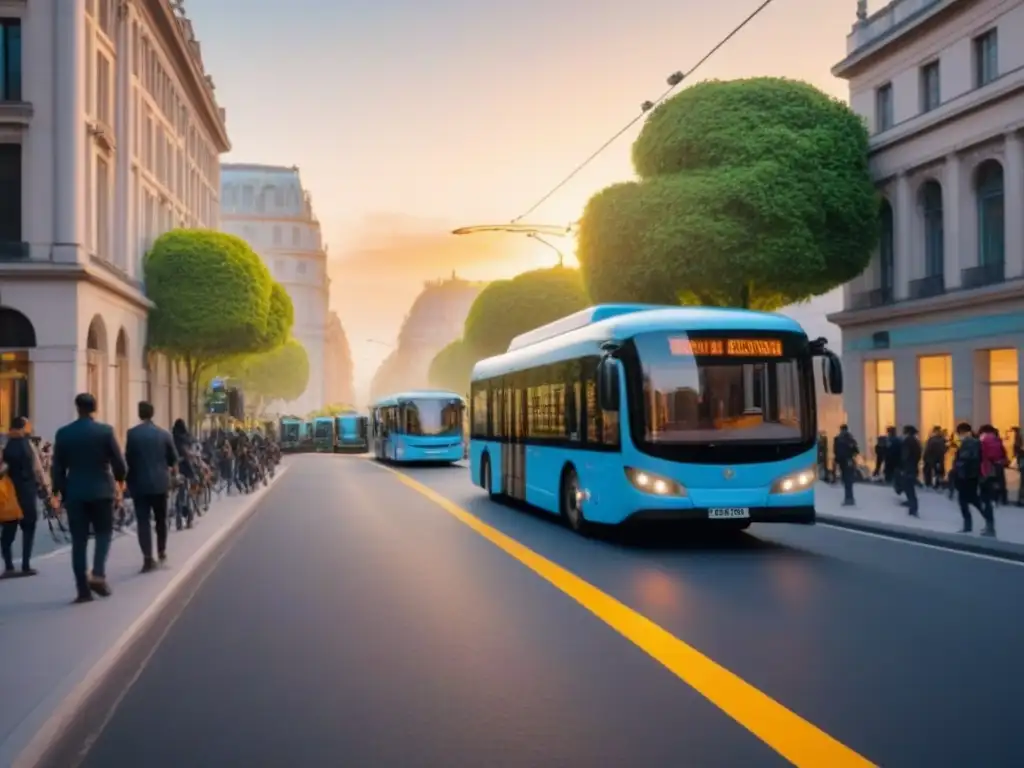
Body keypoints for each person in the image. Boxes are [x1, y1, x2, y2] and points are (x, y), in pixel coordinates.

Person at [50, 393, 127, 603]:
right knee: (104, 533)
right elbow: (119, 464)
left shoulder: (64, 434)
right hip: (102, 490)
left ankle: (82, 590)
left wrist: (59, 492)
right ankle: (98, 574)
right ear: (95, 408)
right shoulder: (105, 431)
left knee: (79, 541)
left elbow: (57, 468)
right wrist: (120, 481)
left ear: (77, 408)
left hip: (75, 491)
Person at [124, 402, 178, 572]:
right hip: (160, 483)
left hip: (139, 484)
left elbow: (129, 459)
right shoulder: (164, 434)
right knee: (161, 519)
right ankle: (161, 552)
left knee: (143, 521)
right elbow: (173, 459)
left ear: (139, 414)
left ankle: (147, 559)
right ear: (152, 414)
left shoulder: (132, 434)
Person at [1, 417, 48, 576]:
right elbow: (38, 468)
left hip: (9, 492)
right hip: (27, 491)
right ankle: (26, 565)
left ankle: (8, 566)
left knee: (8, 529)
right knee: (29, 528)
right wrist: (45, 487)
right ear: (23, 427)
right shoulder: (28, 445)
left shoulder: (4, 445)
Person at [951, 421, 993, 536]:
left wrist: (957, 471)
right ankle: (986, 522)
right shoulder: (976, 442)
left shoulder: (969, 443)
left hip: (966, 476)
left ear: (964, 432)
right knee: (972, 500)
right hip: (972, 476)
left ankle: (970, 525)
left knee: (967, 501)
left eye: (959, 433)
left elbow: (965, 460)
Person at [832, 424, 859, 506]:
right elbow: (856, 451)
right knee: (847, 480)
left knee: (847, 480)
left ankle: (849, 498)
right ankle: (849, 498)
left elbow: (836, 451)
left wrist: (837, 460)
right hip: (846, 461)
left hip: (845, 461)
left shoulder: (839, 439)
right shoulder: (849, 439)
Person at [900, 425, 922, 517]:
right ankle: (912, 507)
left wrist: (903, 466)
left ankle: (913, 509)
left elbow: (905, 455)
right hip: (913, 466)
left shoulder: (908, 441)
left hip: (909, 467)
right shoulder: (915, 441)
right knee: (910, 487)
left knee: (909, 488)